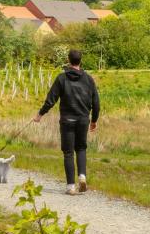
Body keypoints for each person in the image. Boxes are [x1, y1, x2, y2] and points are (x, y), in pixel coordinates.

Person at [33, 49, 100, 195]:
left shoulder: (62, 78)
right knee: (81, 148)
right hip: (83, 119)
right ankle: (82, 176)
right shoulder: (89, 79)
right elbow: (96, 102)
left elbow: (51, 100)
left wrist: (40, 114)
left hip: (67, 120)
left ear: (68, 60)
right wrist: (94, 120)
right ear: (80, 61)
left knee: (68, 152)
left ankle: (71, 187)